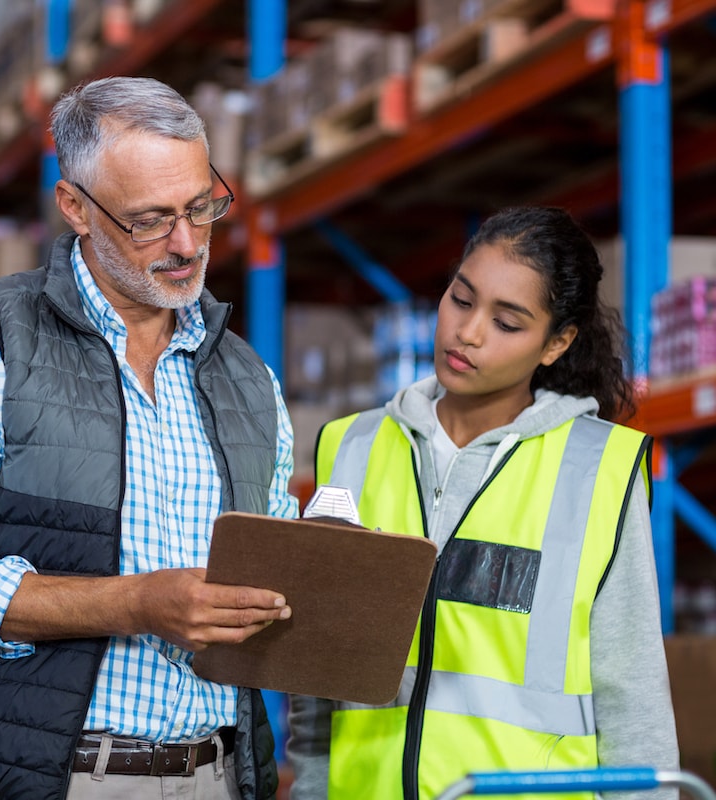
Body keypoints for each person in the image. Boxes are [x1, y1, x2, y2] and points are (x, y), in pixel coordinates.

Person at [0, 76, 300, 800]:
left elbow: (274, 566)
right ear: (75, 206)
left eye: (202, 207)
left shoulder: (247, 377)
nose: (187, 244)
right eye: (149, 220)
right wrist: (134, 604)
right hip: (58, 779)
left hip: (219, 776)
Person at [287, 206, 679, 800]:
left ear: (557, 343)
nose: (468, 333)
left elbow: (634, 695)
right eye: (461, 299)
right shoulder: (352, 446)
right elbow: (317, 673)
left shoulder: (599, 468)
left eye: (508, 322)